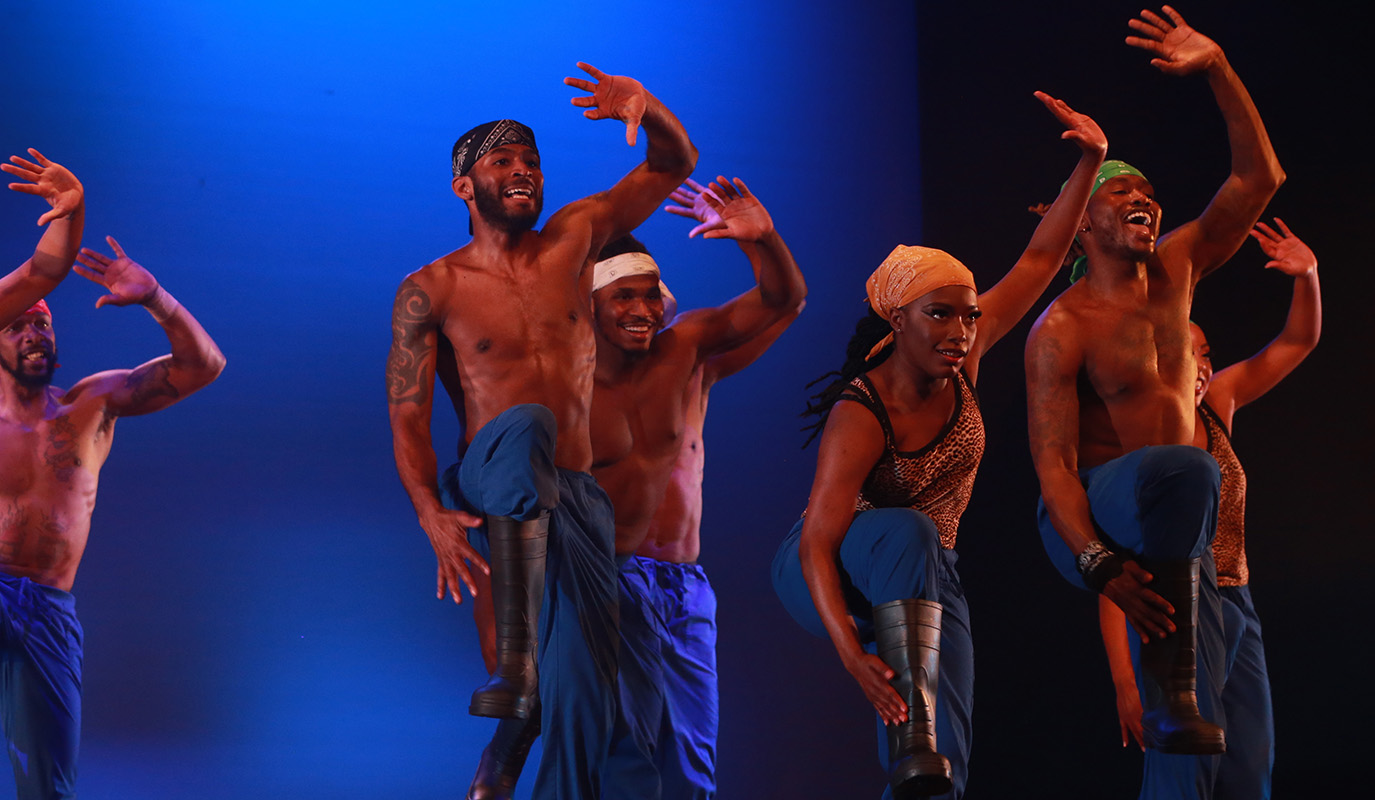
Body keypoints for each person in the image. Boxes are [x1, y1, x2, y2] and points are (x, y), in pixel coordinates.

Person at [770, 92, 1107, 799]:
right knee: (906, 536)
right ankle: (910, 739)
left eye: (969, 315)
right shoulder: (863, 410)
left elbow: (1044, 255)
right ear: (898, 317)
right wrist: (851, 655)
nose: (960, 330)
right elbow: (816, 543)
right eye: (940, 314)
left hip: (926, 574)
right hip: (829, 564)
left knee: (946, 753)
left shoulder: (967, 359)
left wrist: (1091, 160)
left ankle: (923, 761)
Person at [383, 63, 695, 800]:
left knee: (595, 700)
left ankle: (522, 754)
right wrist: (430, 510)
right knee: (525, 425)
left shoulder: (576, 238)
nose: (522, 171)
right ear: (465, 185)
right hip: (491, 476)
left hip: (574, 498)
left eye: (531, 162)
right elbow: (407, 412)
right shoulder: (433, 288)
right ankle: (516, 668)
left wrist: (648, 110)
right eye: (502, 162)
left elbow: (675, 163)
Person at [1027, 6, 1284, 799]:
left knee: (1242, 761)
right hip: (1097, 512)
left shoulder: (1177, 270)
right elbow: (1056, 468)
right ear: (1083, 222)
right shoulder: (1062, 327)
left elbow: (1258, 181)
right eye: (1123, 193)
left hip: (1185, 531)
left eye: (1149, 192)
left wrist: (1217, 68)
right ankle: (1173, 695)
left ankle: (1188, 706)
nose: (1145, 201)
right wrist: (1100, 565)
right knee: (1185, 466)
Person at [0, 149, 225, 800]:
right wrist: (67, 220)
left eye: (43, 324)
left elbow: (203, 366)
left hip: (48, 609)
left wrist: (156, 298)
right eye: (18, 326)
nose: (35, 331)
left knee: (49, 788)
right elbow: (45, 268)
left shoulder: (89, 408)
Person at [595, 177, 804, 799]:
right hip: (610, 579)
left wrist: (761, 241)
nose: (642, 311)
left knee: (690, 764)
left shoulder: (688, 359)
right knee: (623, 753)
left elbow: (784, 301)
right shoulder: (573, 384)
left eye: (650, 297)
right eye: (624, 298)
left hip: (685, 587)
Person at [1098, 218, 1319, 799]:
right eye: (1184, 354)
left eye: (1206, 355)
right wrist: (1125, 679)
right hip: (1178, 607)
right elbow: (1112, 567)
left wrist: (1309, 277)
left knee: (1250, 767)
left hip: (1237, 601)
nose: (1200, 367)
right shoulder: (1140, 437)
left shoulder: (1218, 404)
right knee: (1185, 766)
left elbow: (1296, 343)